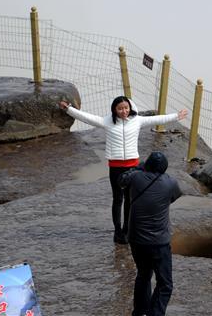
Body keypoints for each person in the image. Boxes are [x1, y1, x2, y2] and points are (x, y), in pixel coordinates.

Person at [58, 97, 187, 244]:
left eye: (126, 108)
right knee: (118, 199)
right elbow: (86, 117)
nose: (123, 111)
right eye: (120, 109)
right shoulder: (107, 122)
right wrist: (69, 109)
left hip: (133, 167)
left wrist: (176, 116)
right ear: (114, 110)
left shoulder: (137, 120)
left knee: (130, 199)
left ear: (130, 107)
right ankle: (117, 231)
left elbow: (157, 119)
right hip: (115, 166)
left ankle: (127, 229)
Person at [119, 151, 182, 316]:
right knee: (165, 284)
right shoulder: (170, 183)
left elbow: (121, 180)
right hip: (159, 242)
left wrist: (138, 168)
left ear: (146, 165)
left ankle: (139, 312)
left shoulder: (135, 178)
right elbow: (174, 197)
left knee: (143, 275)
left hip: (137, 240)